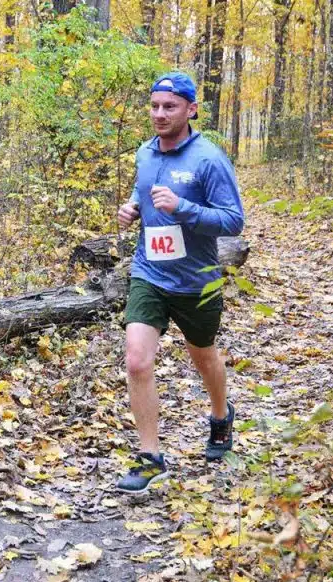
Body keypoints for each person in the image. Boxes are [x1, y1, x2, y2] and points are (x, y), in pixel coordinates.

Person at [115, 72, 245, 495]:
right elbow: (145, 191)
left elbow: (233, 221)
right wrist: (133, 208)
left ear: (190, 109)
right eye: (154, 106)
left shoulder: (208, 158)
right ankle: (151, 458)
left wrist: (184, 207)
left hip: (197, 280)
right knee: (137, 360)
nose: (159, 114)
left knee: (203, 355)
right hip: (149, 272)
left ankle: (221, 416)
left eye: (169, 107)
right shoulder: (144, 153)